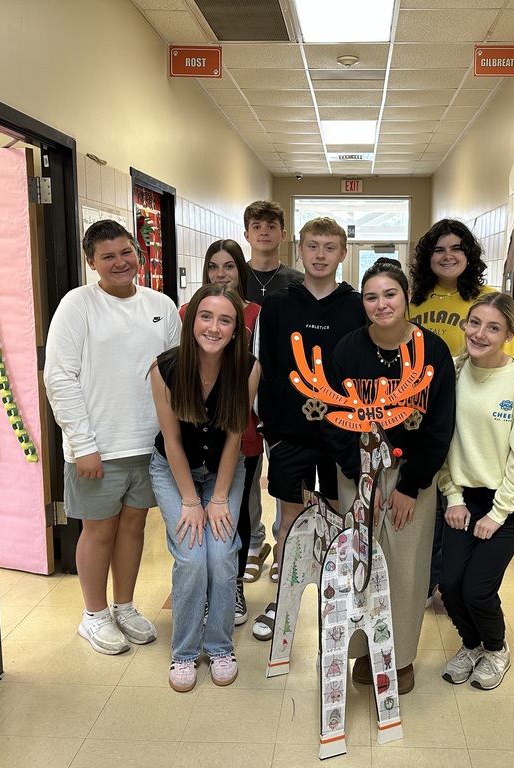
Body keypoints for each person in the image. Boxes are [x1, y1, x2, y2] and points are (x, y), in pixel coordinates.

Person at [45, 219, 180, 655]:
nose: (120, 262)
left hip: (149, 444)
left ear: (138, 254)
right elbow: (59, 377)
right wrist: (83, 444)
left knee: (134, 528)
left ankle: (124, 606)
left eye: (126, 252)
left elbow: (177, 372)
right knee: (98, 531)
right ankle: (94, 614)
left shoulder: (161, 305)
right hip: (98, 448)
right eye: (108, 256)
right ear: (91, 262)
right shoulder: (78, 305)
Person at [328, 257, 456, 694]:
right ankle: (365, 650)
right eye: (371, 297)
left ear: (406, 298)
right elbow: (332, 417)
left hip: (411, 476)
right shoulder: (348, 350)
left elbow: (439, 425)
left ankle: (399, 658)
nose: (381, 304)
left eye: (390, 294)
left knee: (405, 567)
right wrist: (360, 477)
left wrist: (410, 486)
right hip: (357, 472)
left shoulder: (432, 351)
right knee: (359, 562)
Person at [252, 216, 366, 639]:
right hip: (291, 434)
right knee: (290, 521)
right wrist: (272, 431)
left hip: (342, 435)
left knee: (340, 518)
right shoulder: (278, 304)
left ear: (343, 253)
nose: (320, 255)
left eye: (329, 247)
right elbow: (264, 368)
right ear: (298, 250)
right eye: (313, 246)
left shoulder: (357, 306)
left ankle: (340, 601)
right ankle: (284, 602)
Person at [149, 283, 261, 692]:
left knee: (223, 554)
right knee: (193, 557)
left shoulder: (248, 368)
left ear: (236, 330)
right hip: (173, 470)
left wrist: (217, 498)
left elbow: (234, 436)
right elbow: (172, 441)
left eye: (225, 320)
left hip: (223, 472)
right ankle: (184, 652)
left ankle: (219, 647)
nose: (214, 327)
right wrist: (191, 501)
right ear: (191, 320)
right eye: (206, 317)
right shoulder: (164, 369)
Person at [438, 292, 514, 691]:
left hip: (511, 499)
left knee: (478, 588)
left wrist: (498, 513)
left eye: (493, 328)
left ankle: (497, 649)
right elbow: (442, 442)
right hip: (464, 496)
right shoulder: (452, 372)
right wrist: (452, 497)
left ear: (508, 336)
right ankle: (472, 645)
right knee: (450, 585)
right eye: (475, 323)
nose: (480, 334)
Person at [408, 219, 514, 605]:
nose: (447, 256)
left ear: (469, 255)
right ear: (427, 257)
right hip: (418, 421)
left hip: (470, 421)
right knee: (428, 503)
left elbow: (511, 368)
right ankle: (428, 582)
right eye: (438, 249)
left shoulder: (488, 300)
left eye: (456, 248)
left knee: (461, 504)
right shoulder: (413, 301)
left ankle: (452, 585)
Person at [179, 239, 263, 627]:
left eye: (229, 266)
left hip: (242, 429)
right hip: (196, 435)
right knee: (196, 514)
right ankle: (203, 592)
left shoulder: (256, 313)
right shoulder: (188, 312)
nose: (221, 274)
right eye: (213, 266)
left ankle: (234, 587)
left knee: (235, 513)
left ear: (241, 271)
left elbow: (260, 370)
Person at [241, 200, 303, 583]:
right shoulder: (235, 277)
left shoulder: (297, 282)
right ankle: (252, 542)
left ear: (283, 234)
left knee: (284, 472)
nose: (264, 231)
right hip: (239, 392)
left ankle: (284, 544)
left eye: (271, 226)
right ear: (247, 233)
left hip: (284, 392)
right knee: (245, 473)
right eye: (256, 225)